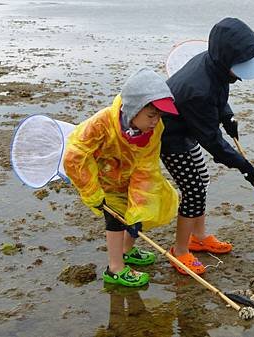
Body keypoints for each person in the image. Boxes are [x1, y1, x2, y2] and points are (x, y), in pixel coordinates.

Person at [161, 17, 254, 275]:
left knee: (202, 179)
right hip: (170, 137)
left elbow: (219, 95)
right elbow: (212, 142)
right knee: (193, 189)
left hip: (188, 128)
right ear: (225, 59)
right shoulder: (198, 88)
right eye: (238, 68)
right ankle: (180, 250)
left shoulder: (215, 65)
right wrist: (243, 165)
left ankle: (198, 237)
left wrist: (227, 116)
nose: (240, 77)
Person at [64, 67, 180, 287]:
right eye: (151, 115)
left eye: (160, 116)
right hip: (102, 178)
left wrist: (139, 207)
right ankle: (115, 268)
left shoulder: (154, 130)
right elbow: (75, 154)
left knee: (139, 211)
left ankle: (128, 250)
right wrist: (92, 193)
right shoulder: (102, 122)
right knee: (116, 217)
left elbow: (147, 166)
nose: (155, 121)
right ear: (133, 108)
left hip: (129, 177)